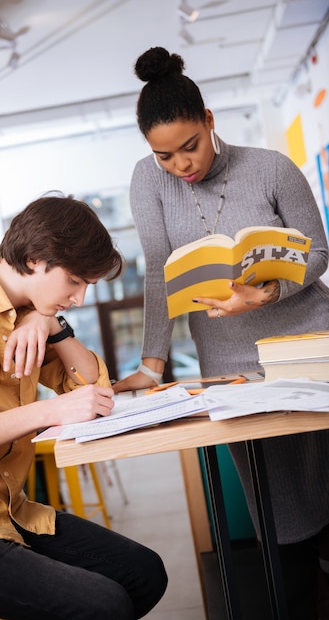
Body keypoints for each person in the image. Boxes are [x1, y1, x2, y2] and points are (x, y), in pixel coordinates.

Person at [113, 46, 329, 619]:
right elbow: (159, 271)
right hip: (232, 359)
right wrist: (152, 364)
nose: (182, 164)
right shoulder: (149, 181)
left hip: (310, 342)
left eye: (191, 146)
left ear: (210, 122)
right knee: (277, 507)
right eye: (165, 155)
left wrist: (270, 291)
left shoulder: (270, 166)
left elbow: (320, 252)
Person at [0, 194, 167, 620]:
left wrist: (49, 324)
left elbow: (94, 387)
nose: (81, 299)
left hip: (7, 512)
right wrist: (51, 411)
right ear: (34, 259)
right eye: (74, 282)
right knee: (104, 604)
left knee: (145, 574)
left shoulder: (29, 313)